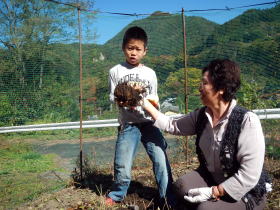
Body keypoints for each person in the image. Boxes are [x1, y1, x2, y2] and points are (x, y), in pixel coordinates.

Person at [141, 59, 272, 210]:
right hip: (213, 178)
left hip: (245, 190)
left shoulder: (246, 121)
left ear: (221, 88)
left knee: (205, 208)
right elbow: (173, 125)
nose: (199, 88)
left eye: (204, 83)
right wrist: (145, 104)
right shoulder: (201, 116)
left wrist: (214, 191)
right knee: (180, 187)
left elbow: (249, 175)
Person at [107, 26, 174, 208]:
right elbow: (114, 97)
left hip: (150, 124)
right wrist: (124, 99)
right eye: (130, 48)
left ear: (145, 51)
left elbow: (154, 99)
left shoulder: (150, 74)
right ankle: (117, 194)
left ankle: (167, 198)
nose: (133, 53)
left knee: (161, 161)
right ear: (123, 48)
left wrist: (151, 104)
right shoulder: (115, 71)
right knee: (123, 164)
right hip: (128, 124)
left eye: (138, 49)